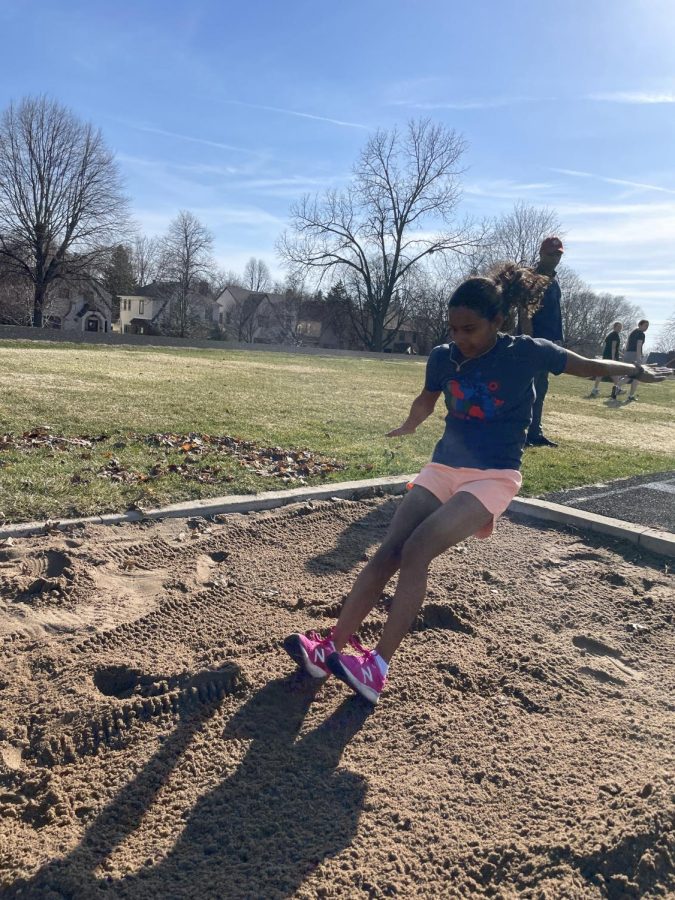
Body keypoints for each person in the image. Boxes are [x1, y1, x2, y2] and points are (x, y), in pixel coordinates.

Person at [283, 266, 671, 705]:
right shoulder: (442, 356)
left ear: (498, 321)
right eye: (453, 328)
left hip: (493, 476)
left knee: (417, 550)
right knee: (389, 549)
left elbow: (589, 365)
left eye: (469, 328)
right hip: (445, 467)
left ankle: (377, 667)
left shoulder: (527, 351)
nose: (460, 337)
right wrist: (409, 425)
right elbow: (428, 398)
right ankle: (331, 647)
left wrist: (636, 371)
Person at [519, 236, 564, 447]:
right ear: (541, 254)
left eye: (558, 254)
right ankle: (522, 432)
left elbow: (555, 315)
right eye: (551, 254)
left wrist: (558, 341)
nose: (555, 258)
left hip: (549, 343)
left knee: (541, 388)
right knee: (528, 390)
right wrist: (530, 341)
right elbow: (525, 312)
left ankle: (535, 433)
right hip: (534, 343)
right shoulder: (532, 278)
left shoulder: (554, 281)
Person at [590, 322, 624, 398]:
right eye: (618, 327)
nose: (620, 328)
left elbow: (615, 348)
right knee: (614, 373)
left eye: (621, 327)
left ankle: (595, 389)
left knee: (603, 373)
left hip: (606, 356)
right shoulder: (615, 335)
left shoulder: (610, 335)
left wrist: (622, 355)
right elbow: (613, 347)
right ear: (614, 327)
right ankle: (618, 389)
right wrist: (612, 359)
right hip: (611, 357)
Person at [618, 320, 649, 401]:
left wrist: (625, 355)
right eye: (645, 325)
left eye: (647, 326)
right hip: (634, 355)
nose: (646, 327)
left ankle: (618, 387)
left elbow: (627, 344)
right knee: (636, 377)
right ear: (640, 325)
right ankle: (629, 395)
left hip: (628, 354)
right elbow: (639, 346)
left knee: (628, 375)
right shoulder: (641, 334)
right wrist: (639, 359)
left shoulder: (633, 332)